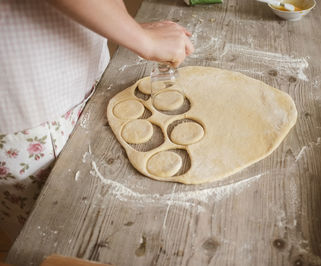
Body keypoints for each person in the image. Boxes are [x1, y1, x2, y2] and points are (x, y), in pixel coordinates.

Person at [0, 0, 194, 241]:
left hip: (80, 76)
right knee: (51, 231)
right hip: (32, 111)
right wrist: (143, 39)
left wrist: (122, 26)